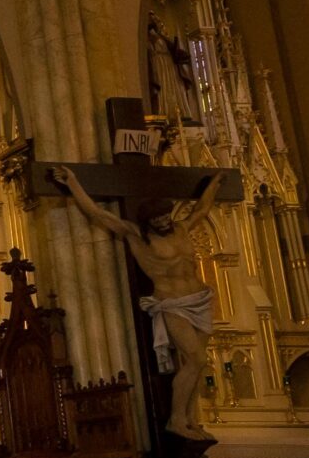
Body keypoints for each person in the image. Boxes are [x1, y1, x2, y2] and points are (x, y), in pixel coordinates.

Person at [50, 166, 226, 441]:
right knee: (196, 358)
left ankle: (190, 419)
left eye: (165, 216)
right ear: (148, 222)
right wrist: (72, 182)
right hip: (172, 304)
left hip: (200, 300)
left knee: (196, 364)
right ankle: (176, 420)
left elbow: (202, 210)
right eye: (157, 219)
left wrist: (215, 183)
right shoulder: (136, 235)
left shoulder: (181, 227)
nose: (164, 221)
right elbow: (98, 214)